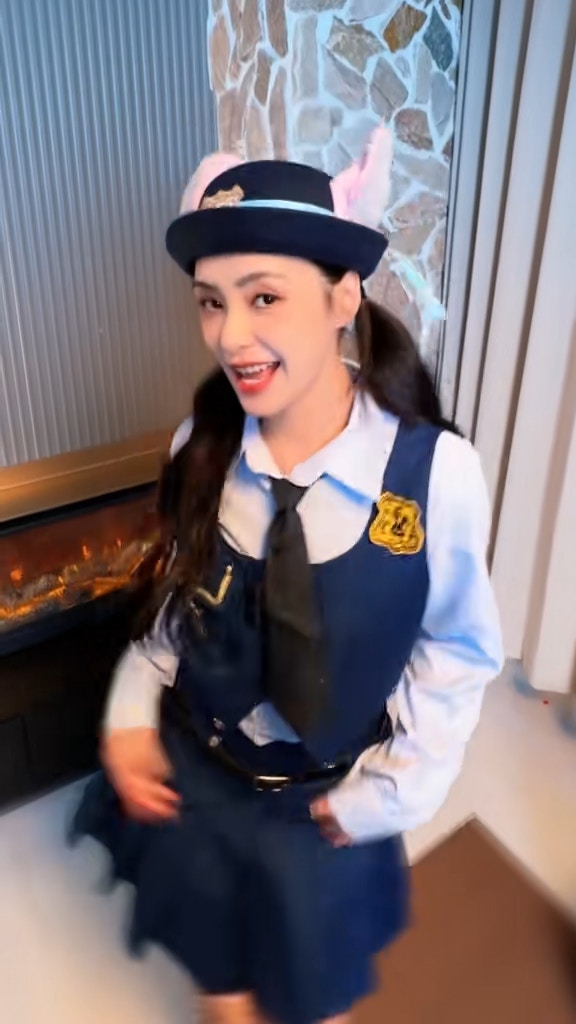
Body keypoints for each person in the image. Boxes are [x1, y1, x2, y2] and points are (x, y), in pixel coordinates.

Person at [71, 124, 503, 1024]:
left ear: (344, 296)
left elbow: (456, 653)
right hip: (197, 784)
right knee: (222, 985)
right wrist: (129, 712)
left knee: (312, 999)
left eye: (264, 296)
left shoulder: (437, 478)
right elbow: (172, 610)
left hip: (326, 810)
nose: (230, 336)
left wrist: (390, 793)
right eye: (211, 302)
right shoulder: (200, 447)